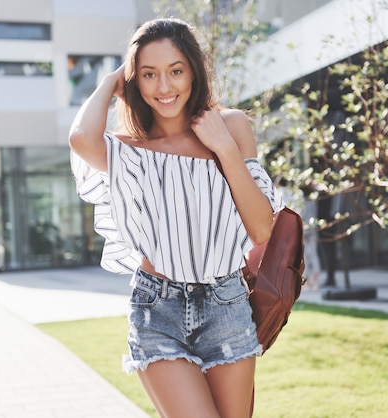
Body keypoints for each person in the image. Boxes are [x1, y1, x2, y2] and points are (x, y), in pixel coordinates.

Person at [69, 18, 284, 418]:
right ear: (134, 80)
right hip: (158, 308)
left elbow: (260, 229)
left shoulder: (231, 126)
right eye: (148, 74)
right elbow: (81, 140)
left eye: (175, 71)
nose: (164, 87)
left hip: (226, 304)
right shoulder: (128, 150)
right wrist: (111, 80)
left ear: (193, 71)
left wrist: (224, 148)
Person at [300, 185, 322, 289]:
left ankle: (309, 281)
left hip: (306, 229)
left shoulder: (302, 202)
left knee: (306, 257)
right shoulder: (313, 201)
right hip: (312, 229)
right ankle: (314, 280)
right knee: (313, 255)